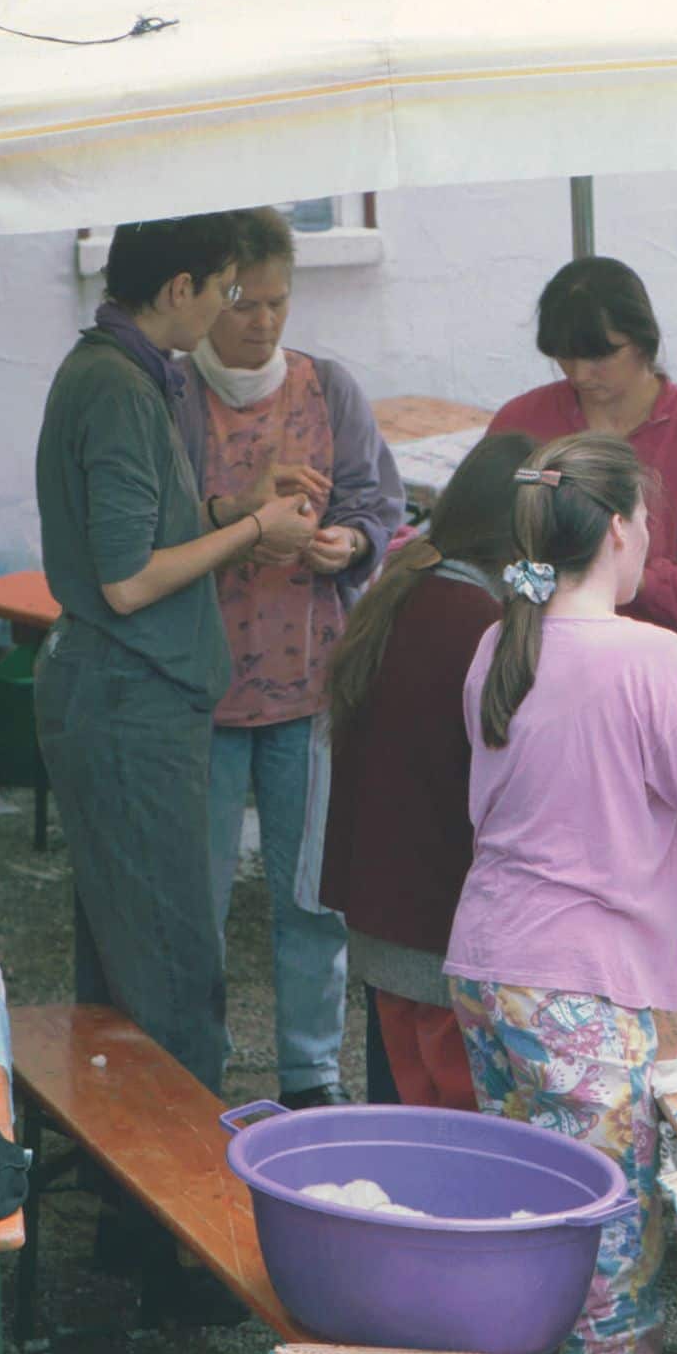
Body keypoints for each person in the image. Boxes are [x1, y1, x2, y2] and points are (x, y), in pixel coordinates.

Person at [444, 432, 677, 1354]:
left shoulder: (498, 639)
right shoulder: (651, 657)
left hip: (485, 962)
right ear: (615, 529)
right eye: (649, 521)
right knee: (606, 1229)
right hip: (577, 984)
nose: (654, 539)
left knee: (528, 1208)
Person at [35, 213, 319, 1100]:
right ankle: (167, 1217)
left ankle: (127, 1190)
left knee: (125, 965)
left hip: (120, 692)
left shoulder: (119, 370)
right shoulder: (119, 387)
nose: (236, 308)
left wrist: (236, 505)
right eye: (225, 289)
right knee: (171, 976)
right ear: (177, 292)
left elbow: (145, 536)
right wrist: (252, 533)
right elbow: (127, 580)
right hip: (127, 698)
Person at [177, 205, 406, 1111]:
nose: (262, 322)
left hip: (310, 683)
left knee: (312, 895)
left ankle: (310, 1075)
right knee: (194, 904)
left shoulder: (328, 389)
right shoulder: (170, 394)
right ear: (199, 297)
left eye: (276, 302)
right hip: (200, 690)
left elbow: (378, 505)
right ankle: (192, 1067)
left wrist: (347, 545)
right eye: (240, 302)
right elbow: (158, 530)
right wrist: (241, 518)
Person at [323, 431, 537, 1111]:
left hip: (384, 923)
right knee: (449, 1133)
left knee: (396, 1112)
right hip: (441, 934)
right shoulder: (481, 627)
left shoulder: (406, 587)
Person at [487, 257, 677, 696]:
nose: (579, 373)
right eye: (564, 356)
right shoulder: (521, 422)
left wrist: (608, 574)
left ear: (644, 340)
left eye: (600, 355)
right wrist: (549, 588)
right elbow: (490, 553)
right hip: (547, 681)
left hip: (672, 689)